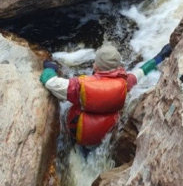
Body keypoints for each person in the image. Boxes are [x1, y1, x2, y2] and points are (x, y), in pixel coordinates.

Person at [40, 42, 171, 147]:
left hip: (80, 134)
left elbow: (50, 82)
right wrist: (160, 56)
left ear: (96, 67)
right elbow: (142, 71)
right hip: (105, 137)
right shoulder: (125, 83)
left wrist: (50, 68)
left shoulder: (80, 87)